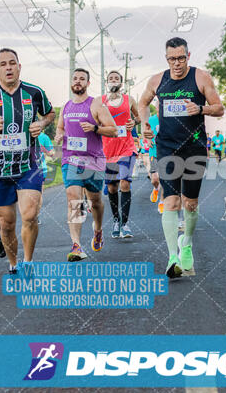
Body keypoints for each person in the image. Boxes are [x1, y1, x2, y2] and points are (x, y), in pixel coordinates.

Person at [139, 36, 223, 278]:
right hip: (166, 147)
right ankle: (172, 256)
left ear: (189, 56)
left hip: (194, 148)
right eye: (172, 59)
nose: (177, 63)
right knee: (171, 202)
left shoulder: (201, 77)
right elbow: (143, 104)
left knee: (190, 203)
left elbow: (220, 108)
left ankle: (186, 243)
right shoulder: (157, 80)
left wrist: (201, 108)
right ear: (166, 59)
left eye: (181, 58)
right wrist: (145, 124)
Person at [0, 48, 55, 273]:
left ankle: (29, 262)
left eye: (12, 63)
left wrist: (42, 124)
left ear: (19, 66)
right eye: (3, 64)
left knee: (30, 215)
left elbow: (50, 113)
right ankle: (13, 264)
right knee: (6, 223)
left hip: (29, 165)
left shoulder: (34, 92)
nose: (8, 67)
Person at [55, 68, 117, 261]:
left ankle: (98, 230)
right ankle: (76, 245)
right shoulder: (65, 107)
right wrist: (58, 135)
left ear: (88, 83)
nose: (78, 81)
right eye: (75, 78)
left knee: (96, 201)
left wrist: (95, 128)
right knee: (73, 197)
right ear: (71, 82)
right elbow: (60, 128)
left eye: (82, 79)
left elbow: (113, 130)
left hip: (94, 161)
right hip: (71, 160)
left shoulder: (96, 105)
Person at [102, 70, 139, 239]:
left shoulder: (129, 99)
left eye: (116, 78)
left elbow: (138, 117)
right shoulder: (100, 101)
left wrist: (133, 121)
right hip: (108, 149)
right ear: (106, 82)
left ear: (121, 83)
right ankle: (116, 220)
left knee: (125, 182)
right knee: (112, 187)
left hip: (126, 147)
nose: (113, 80)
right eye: (111, 78)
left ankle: (125, 224)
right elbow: (94, 120)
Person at [147, 100, 165, 213]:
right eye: (159, 105)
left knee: (164, 178)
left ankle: (162, 201)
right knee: (155, 179)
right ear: (156, 107)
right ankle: (155, 188)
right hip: (154, 152)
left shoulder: (169, 119)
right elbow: (146, 131)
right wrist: (148, 139)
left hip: (166, 152)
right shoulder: (151, 119)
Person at [37, 130, 56, 224]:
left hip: (40, 169)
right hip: (24, 169)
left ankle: (36, 215)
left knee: (38, 193)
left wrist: (45, 150)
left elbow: (52, 153)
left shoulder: (43, 137)